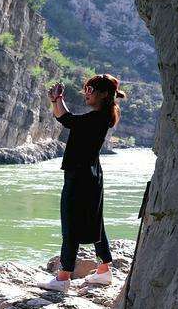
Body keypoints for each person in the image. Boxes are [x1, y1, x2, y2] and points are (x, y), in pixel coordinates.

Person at [37, 74, 125, 292]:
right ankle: (104, 270)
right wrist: (55, 101)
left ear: (103, 94)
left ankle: (63, 277)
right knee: (95, 222)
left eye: (90, 90)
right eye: (85, 89)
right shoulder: (100, 116)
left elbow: (67, 119)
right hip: (90, 174)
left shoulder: (97, 118)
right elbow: (64, 118)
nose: (86, 94)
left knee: (71, 224)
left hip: (81, 176)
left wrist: (58, 100)